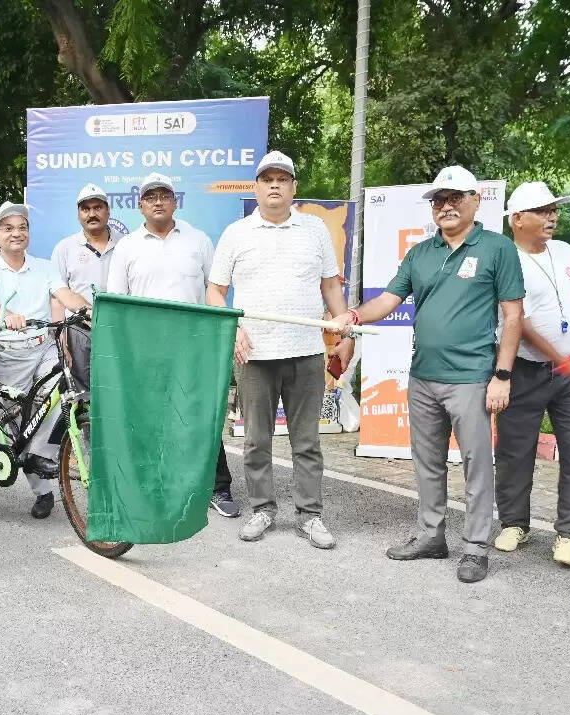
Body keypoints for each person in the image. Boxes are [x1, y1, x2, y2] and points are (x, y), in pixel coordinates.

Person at [353, 165, 525, 582]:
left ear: (474, 200)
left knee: (475, 463)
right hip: (423, 376)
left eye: (455, 198)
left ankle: (476, 548)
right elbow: (389, 299)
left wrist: (502, 374)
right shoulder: (420, 253)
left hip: (471, 377)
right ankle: (431, 536)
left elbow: (513, 315)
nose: (446, 206)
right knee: (428, 462)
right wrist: (354, 315)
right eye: (439, 200)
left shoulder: (497, 248)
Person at [206, 152, 352, 547]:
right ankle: (262, 509)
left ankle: (309, 515)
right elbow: (215, 292)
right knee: (256, 440)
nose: (274, 186)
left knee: (307, 440)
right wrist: (234, 325)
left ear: (293, 188)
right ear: (255, 188)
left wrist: (346, 330)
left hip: (305, 352)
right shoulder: (236, 234)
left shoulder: (315, 230)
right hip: (254, 354)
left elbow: (330, 286)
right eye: (267, 179)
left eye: (282, 179)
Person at [108, 173, 238, 518]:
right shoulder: (127, 247)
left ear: (175, 201)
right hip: (145, 348)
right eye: (151, 197)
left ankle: (218, 487)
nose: (158, 201)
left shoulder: (197, 241)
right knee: (151, 418)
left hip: (193, 345)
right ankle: (156, 488)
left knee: (200, 414)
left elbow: (215, 291)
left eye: (165, 195)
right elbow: (118, 303)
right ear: (140, 205)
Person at [493, 182, 570, 568]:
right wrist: (565, 359)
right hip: (522, 370)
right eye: (542, 210)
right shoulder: (504, 259)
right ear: (517, 219)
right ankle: (513, 523)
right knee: (514, 452)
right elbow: (517, 322)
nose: (552, 216)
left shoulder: (566, 251)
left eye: (553, 209)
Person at [0, 201, 92, 519]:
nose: (16, 233)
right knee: (19, 427)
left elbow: (64, 293)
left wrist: (86, 309)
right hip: (7, 353)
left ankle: (42, 456)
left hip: (43, 349)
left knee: (60, 395)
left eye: (22, 227)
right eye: (8, 228)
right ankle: (42, 491)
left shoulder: (43, 267)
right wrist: (7, 315)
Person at [51, 184, 122, 302]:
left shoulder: (125, 244)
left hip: (118, 318)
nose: (92, 214)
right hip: (79, 320)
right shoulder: (64, 248)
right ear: (78, 214)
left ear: (108, 210)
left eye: (98, 208)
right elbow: (57, 296)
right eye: (85, 209)